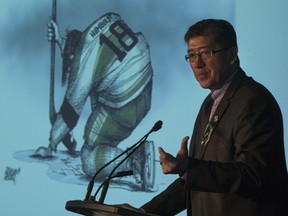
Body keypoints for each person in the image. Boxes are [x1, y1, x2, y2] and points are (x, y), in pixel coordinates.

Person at [137, 19, 288, 215]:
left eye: (206, 53)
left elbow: (252, 175)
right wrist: (142, 212)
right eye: (191, 56)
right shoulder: (210, 104)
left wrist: (190, 168)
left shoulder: (253, 101)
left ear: (232, 55)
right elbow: (194, 183)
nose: (197, 64)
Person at [34, 12, 155, 190]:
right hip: (145, 86)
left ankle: (136, 161)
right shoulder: (106, 21)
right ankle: (109, 147)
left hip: (125, 104)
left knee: (89, 158)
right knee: (99, 83)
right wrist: (59, 39)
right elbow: (86, 50)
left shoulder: (81, 65)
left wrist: (51, 144)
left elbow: (69, 114)